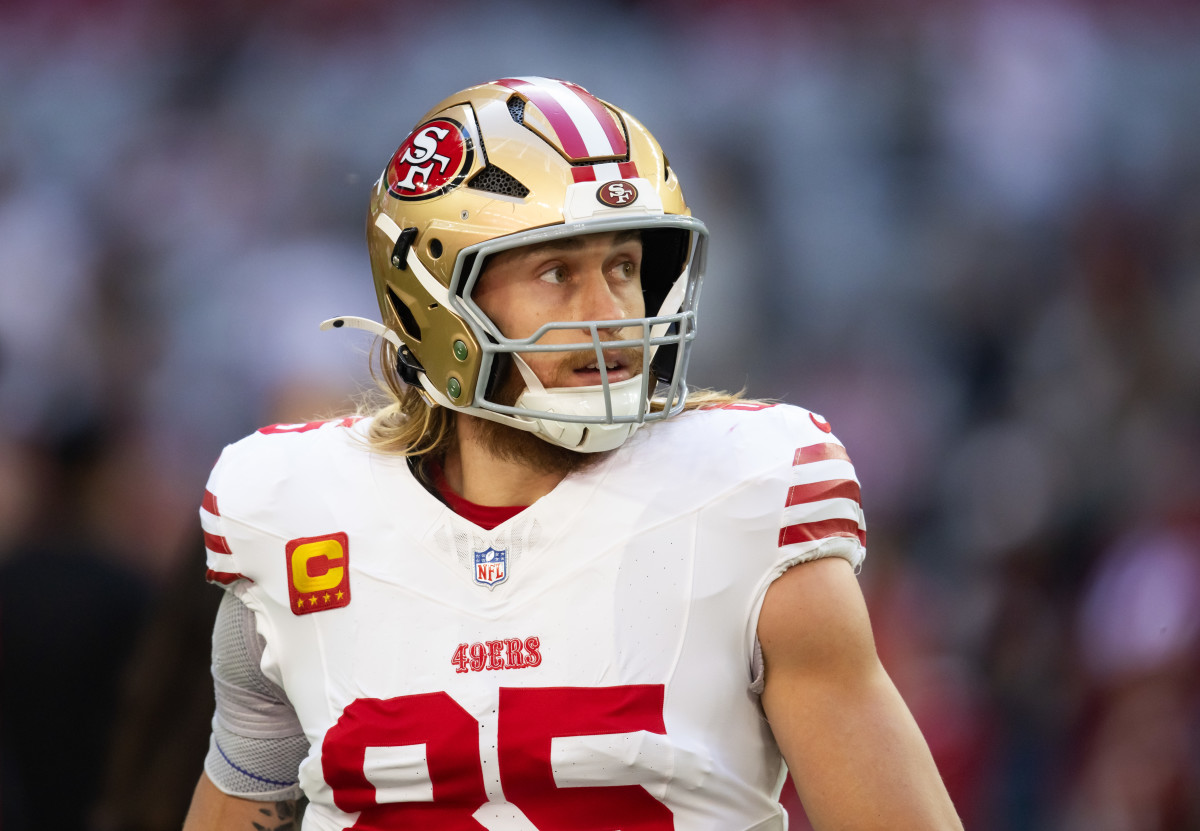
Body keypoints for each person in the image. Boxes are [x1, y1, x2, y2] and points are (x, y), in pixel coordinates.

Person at [183, 76, 962, 830]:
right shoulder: (295, 510)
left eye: (624, 267)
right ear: (434, 299)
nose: (613, 313)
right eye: (558, 272)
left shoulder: (748, 492)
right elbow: (249, 781)